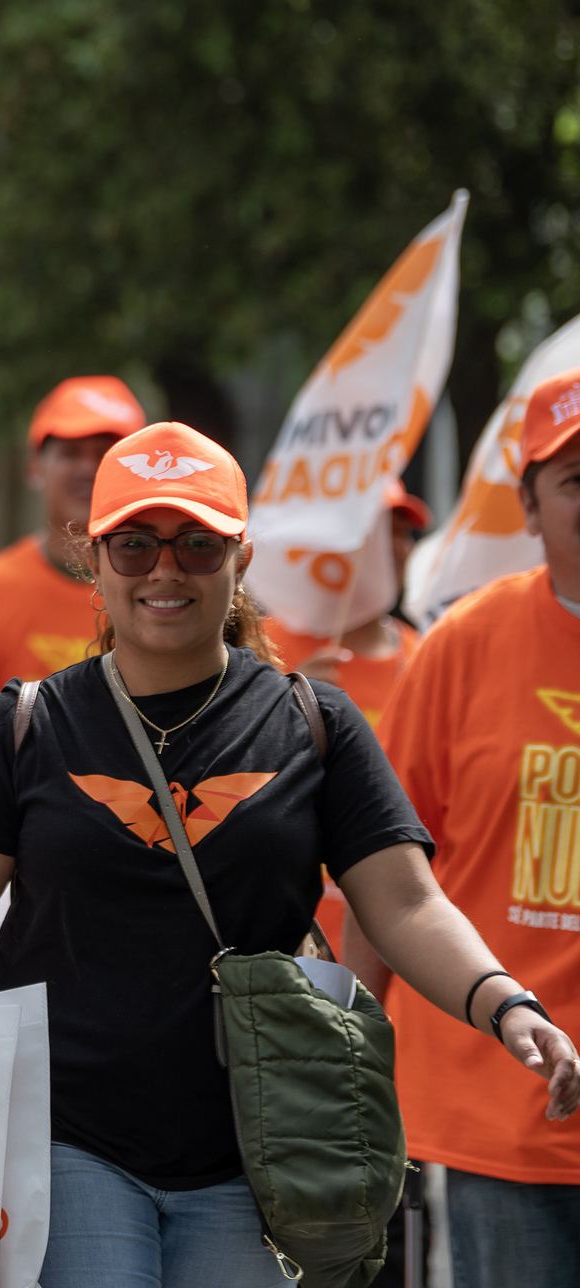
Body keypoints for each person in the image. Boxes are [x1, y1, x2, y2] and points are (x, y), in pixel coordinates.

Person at [0, 422, 580, 1288]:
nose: (165, 570)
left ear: (241, 557)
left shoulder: (315, 721)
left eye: (197, 545)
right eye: (134, 546)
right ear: (94, 562)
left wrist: (507, 1005)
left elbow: (406, 904)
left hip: (263, 1146)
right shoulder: (27, 726)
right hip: (63, 1138)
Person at [370, 367, 580, 1286]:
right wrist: (348, 1050)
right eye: (574, 480)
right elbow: (383, 868)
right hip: (496, 1109)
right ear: (529, 507)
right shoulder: (462, 644)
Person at [0, 375, 144, 727]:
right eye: (70, 453)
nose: (88, 468)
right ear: (34, 466)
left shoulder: (174, 592)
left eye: (105, 454)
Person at [264, 482, 433, 732]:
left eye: (402, 533)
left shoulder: (424, 654)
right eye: (378, 535)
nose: (398, 549)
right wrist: (284, 714)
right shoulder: (263, 644)